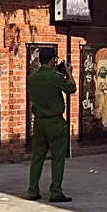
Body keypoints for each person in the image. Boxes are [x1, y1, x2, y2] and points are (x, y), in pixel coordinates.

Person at [26, 48, 77, 203]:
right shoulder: (55, 77)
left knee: (37, 157)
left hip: (39, 121)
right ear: (53, 60)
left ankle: (33, 190)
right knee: (58, 158)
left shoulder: (32, 78)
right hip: (55, 121)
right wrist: (68, 73)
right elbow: (71, 88)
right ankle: (56, 191)